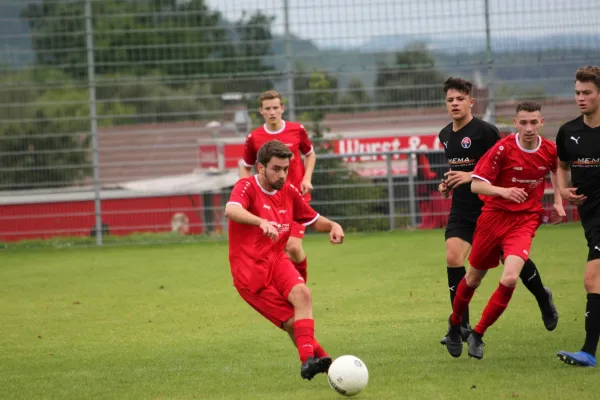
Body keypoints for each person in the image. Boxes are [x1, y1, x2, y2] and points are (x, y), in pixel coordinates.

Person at [438, 78, 558, 346]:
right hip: (462, 209)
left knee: (513, 264)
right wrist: (447, 183)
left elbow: (496, 168)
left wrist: (469, 176)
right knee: (453, 257)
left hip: (493, 209)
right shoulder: (445, 135)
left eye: (460, 99)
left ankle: (541, 295)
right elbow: (459, 171)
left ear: (471, 101)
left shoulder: (487, 132)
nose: (455, 104)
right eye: (450, 100)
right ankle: (459, 327)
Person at [225, 139, 345, 380]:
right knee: (292, 323)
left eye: (286, 169)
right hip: (250, 272)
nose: (282, 175)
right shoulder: (246, 186)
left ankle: (312, 362)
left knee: (303, 295)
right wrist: (261, 221)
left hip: (276, 259)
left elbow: (311, 219)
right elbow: (231, 209)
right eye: (276, 169)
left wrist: (333, 224)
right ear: (260, 168)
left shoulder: (288, 191)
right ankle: (324, 364)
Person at [239, 90, 316, 283]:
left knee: (293, 247)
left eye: (275, 107)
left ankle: (300, 284)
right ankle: (287, 288)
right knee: (274, 250)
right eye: (268, 108)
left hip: (295, 198)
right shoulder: (254, 137)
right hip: (268, 202)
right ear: (261, 111)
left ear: (282, 109)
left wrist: (306, 178)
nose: (272, 112)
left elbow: (310, 154)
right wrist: (245, 191)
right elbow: (245, 166)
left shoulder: (297, 130)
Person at [556, 66, 600, 368]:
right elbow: (560, 165)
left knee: (592, 279)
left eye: (587, 93)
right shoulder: (568, 131)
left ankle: (588, 351)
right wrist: (562, 191)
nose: (580, 98)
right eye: (577, 92)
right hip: (590, 217)